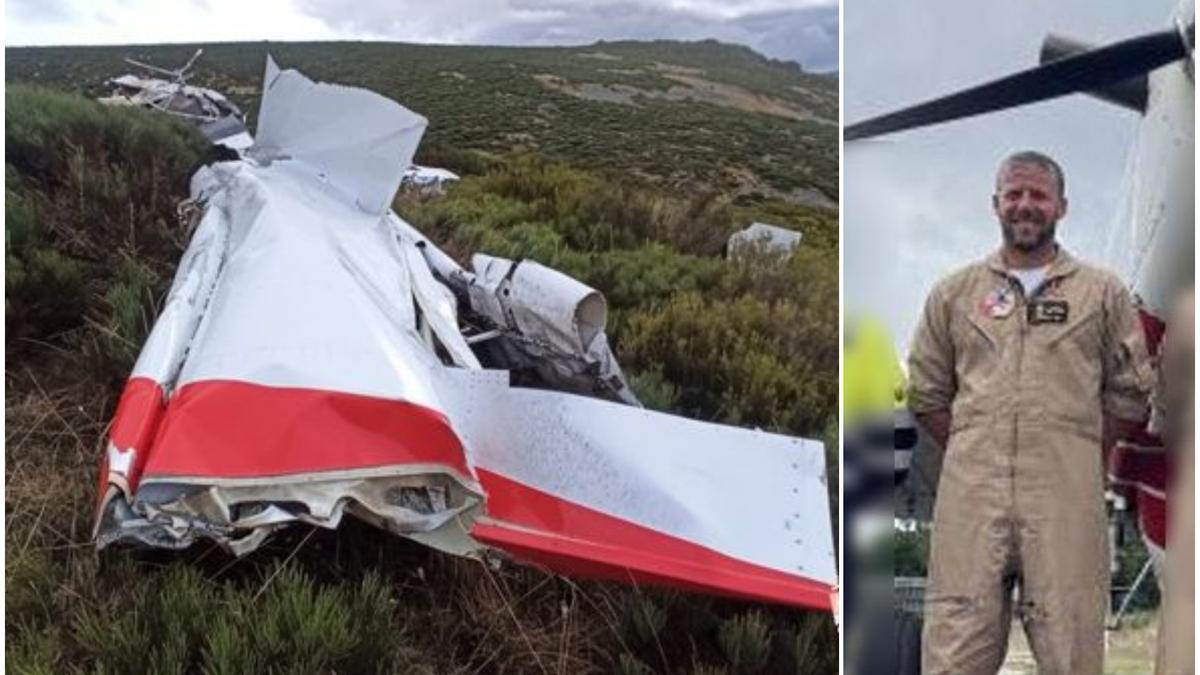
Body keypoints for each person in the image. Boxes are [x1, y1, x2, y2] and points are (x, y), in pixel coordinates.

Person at [907, 150, 1154, 674]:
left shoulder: (1102, 293)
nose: (1025, 205)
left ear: (1061, 206)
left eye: (1038, 195)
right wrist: (982, 446)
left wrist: (1074, 446)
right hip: (972, 500)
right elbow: (928, 392)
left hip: (1065, 499)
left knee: (1072, 648)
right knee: (954, 649)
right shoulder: (955, 293)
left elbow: (1131, 393)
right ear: (995, 203)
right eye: (1014, 194)